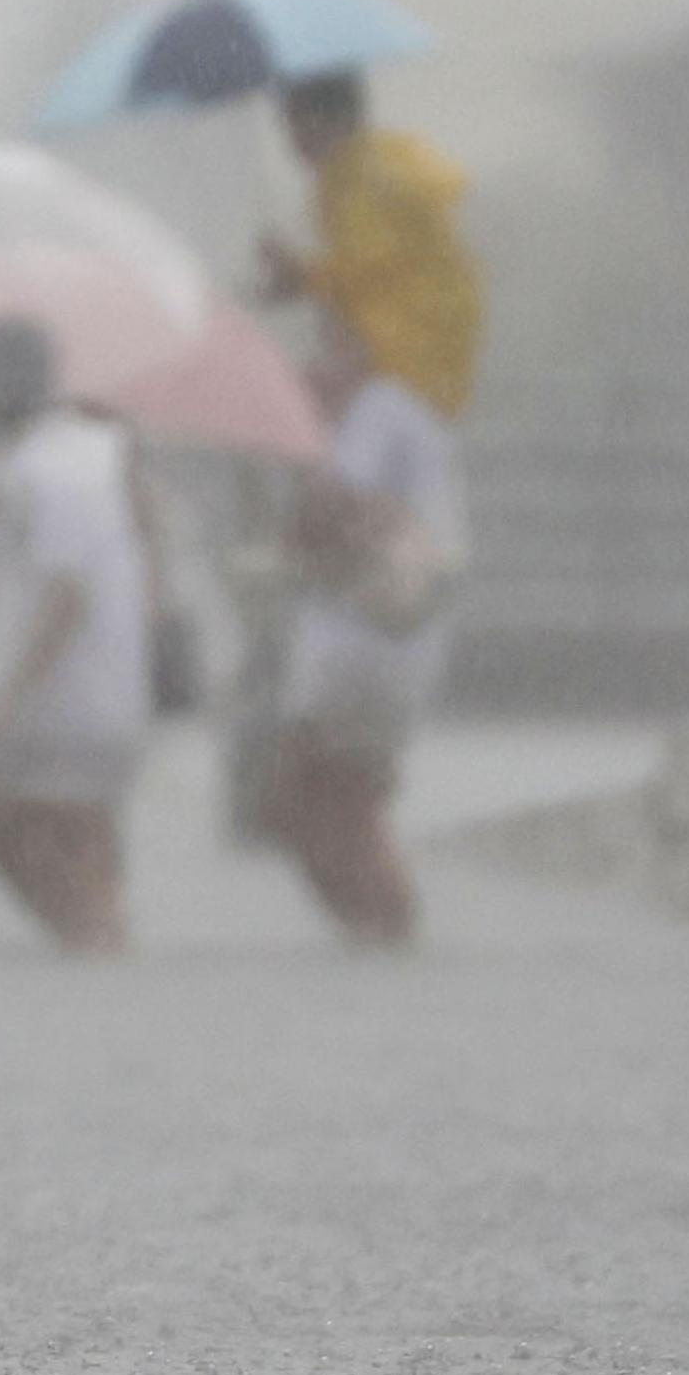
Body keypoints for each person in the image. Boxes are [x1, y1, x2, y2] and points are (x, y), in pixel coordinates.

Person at [0, 319, 149, 956]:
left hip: (58, 709)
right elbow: (20, 564)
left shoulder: (52, 467)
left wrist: (5, 703)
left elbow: (66, 592)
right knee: (83, 866)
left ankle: (91, 947)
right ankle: (103, 960)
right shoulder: (73, 456)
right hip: (99, 703)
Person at [253, 318, 462, 947]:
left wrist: (295, 446)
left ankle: (384, 929)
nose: (307, 369)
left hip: (370, 646)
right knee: (325, 801)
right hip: (372, 644)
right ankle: (375, 932)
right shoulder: (385, 418)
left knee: (317, 800)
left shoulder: (376, 412)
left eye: (323, 351)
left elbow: (345, 510)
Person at [258, 69, 482, 419]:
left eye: (296, 124)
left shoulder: (360, 178)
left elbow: (368, 267)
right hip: (427, 361)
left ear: (329, 120)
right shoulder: (371, 165)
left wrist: (301, 277)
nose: (292, 140)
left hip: (402, 361)